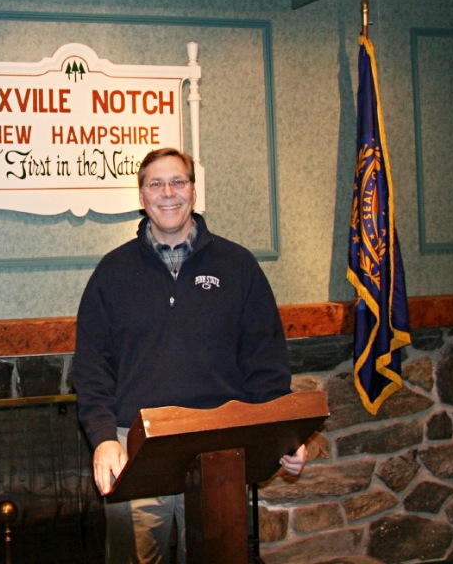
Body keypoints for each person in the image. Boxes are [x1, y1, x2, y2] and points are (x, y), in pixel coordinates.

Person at [72, 147, 307, 563]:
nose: (168, 193)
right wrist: (104, 438)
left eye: (177, 181)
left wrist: (279, 436)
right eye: (155, 184)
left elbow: (266, 364)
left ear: (193, 192)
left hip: (221, 446)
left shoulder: (238, 266)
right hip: (136, 447)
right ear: (141, 196)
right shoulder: (112, 272)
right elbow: (92, 367)